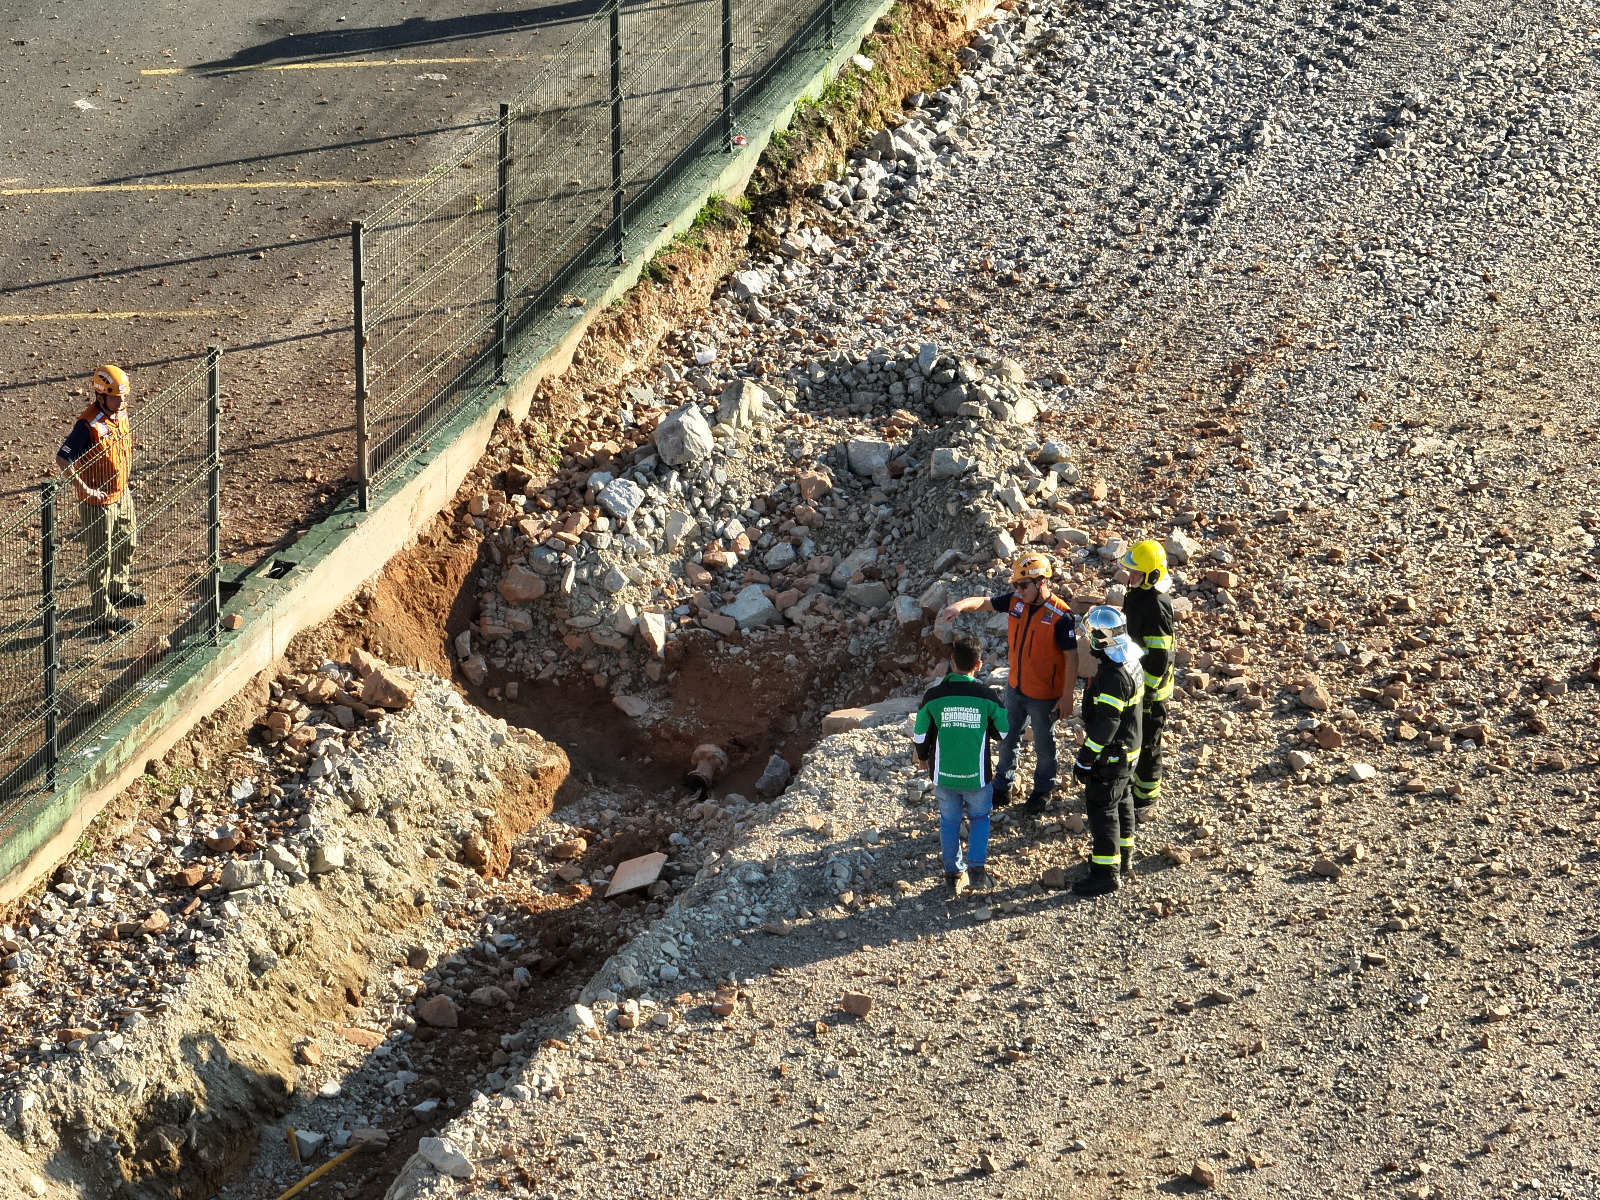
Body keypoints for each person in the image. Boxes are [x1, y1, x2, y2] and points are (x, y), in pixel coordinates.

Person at [938, 551, 1076, 814]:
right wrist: (959, 606)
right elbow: (983, 602)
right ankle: (1002, 787)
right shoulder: (1016, 602)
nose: (1018, 589)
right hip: (1015, 688)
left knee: (1044, 746)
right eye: (1016, 584)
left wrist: (1067, 695)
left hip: (1044, 695)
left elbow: (1072, 657)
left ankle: (1042, 791)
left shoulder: (1061, 616)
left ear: (1041, 583)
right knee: (1008, 737)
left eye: (1023, 585)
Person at [913, 634, 1008, 897]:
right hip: (977, 777)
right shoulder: (986, 696)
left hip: (943, 775)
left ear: (952, 660)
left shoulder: (934, 696)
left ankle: (953, 874)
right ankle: (977, 871)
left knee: (949, 821)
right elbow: (1005, 730)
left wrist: (922, 756)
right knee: (979, 818)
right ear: (978, 665)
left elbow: (920, 735)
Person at [56, 365, 143, 637]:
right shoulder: (87, 425)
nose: (123, 401)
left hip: (121, 493)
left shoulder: (120, 413)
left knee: (127, 540)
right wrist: (85, 489)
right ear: (101, 396)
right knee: (100, 558)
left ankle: (119, 589)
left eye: (124, 396)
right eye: (117, 397)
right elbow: (62, 458)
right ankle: (102, 613)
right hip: (98, 503)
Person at [1066, 605, 1144, 896]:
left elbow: (1107, 724)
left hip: (1112, 755)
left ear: (1104, 640)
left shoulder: (1114, 676)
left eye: (1091, 637)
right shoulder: (1132, 661)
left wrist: (1086, 759)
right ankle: (1123, 859)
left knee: (1102, 809)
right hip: (1130, 750)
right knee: (1122, 800)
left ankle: (1105, 873)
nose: (1088, 642)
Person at [1121, 539, 1176, 820]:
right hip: (1136, 681)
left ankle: (1145, 798)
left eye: (1135, 573)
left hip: (1151, 690)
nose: (1129, 577)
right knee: (1133, 737)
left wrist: (1148, 689)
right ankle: (1131, 787)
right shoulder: (1134, 595)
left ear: (1152, 575)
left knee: (1149, 742)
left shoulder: (1157, 604)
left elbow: (1159, 655)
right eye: (1129, 571)